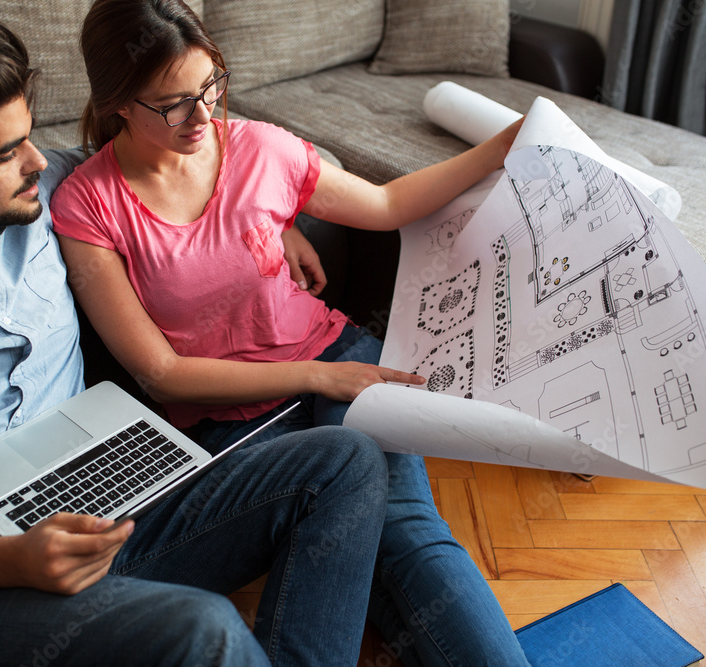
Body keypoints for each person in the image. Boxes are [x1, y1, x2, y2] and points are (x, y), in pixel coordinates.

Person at [0, 12, 392, 667]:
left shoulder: (39, 192)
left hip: (114, 504)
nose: (38, 161)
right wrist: (4, 557)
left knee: (345, 462)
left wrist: (270, 221)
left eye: (28, 137)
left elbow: (166, 155)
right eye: (6, 152)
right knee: (204, 628)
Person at [50, 1, 532, 665]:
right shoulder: (88, 203)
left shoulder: (259, 146)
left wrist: (499, 150)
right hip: (228, 421)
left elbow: (388, 205)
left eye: (210, 87)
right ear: (118, 103)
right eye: (173, 104)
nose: (201, 117)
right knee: (375, 539)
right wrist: (315, 375)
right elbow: (159, 371)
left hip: (340, 359)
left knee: (408, 531)